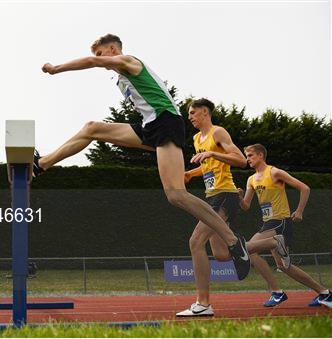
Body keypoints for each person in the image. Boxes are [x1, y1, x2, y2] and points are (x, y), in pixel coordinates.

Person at [38, 33, 250, 280]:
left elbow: (91, 62)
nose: (98, 60)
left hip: (166, 123)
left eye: (101, 53)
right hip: (151, 126)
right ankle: (40, 164)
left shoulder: (129, 61)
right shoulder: (121, 76)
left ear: (113, 48)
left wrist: (56, 68)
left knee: (176, 195)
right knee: (91, 128)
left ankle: (234, 242)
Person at [176, 99, 289, 317]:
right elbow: (208, 165)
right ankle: (273, 242)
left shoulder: (218, 133)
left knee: (195, 241)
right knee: (221, 255)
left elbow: (239, 160)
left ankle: (203, 303)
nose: (189, 117)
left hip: (225, 196)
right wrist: (192, 173)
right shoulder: (197, 138)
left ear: (205, 112)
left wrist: (213, 153)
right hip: (211, 197)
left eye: (192, 112)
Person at [238, 144, 331, 309]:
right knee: (284, 266)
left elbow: (305, 188)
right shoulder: (251, 180)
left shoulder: (274, 172)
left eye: (251, 155)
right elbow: (245, 206)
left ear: (261, 155)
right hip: (268, 222)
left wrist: (299, 211)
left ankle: (277, 292)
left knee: (248, 249)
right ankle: (324, 293)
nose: (248, 159)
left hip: (280, 221)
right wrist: (239, 197)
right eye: (246, 156)